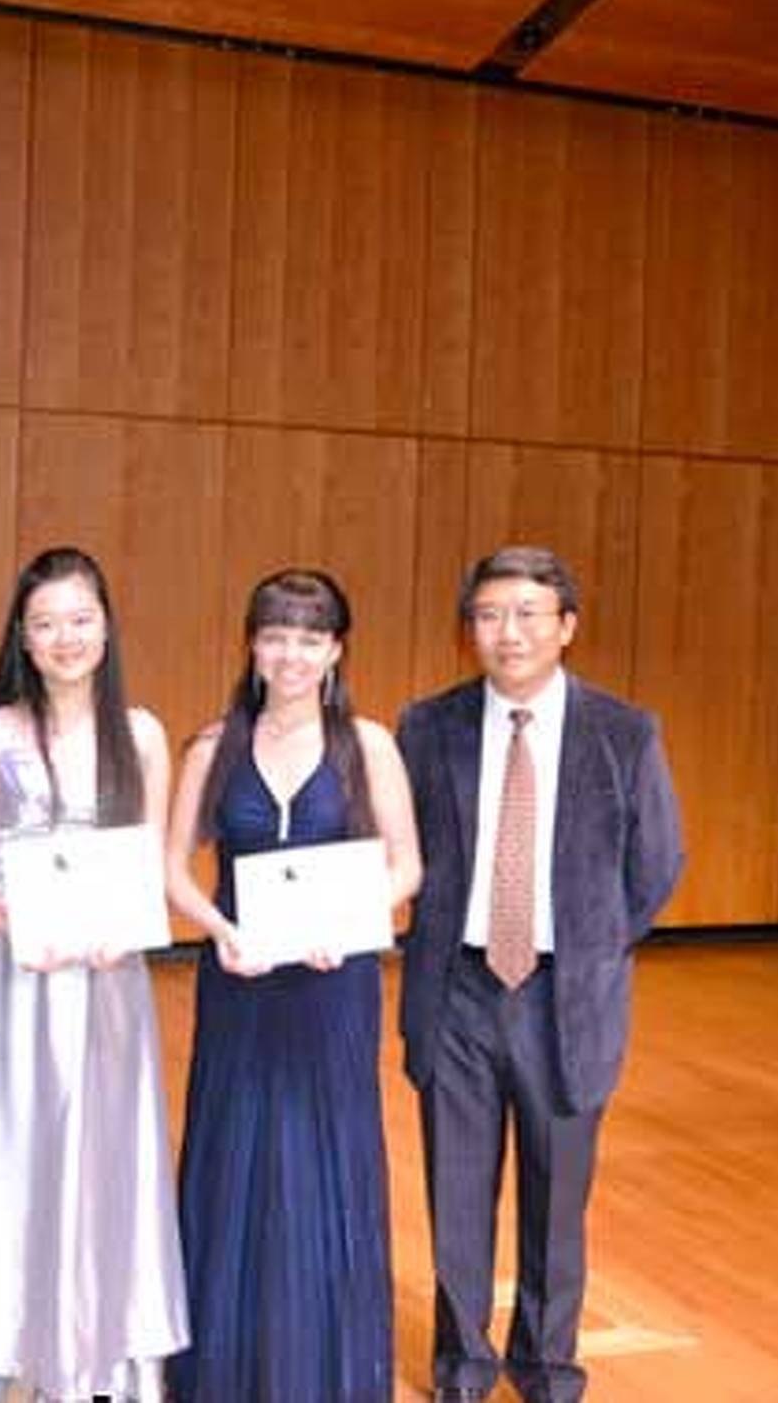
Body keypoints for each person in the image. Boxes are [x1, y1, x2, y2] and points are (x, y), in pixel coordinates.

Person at [396, 546, 683, 1403]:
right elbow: (396, 844)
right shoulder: (427, 728)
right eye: (489, 616)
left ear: (567, 627)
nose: (508, 633)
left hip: (566, 998)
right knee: (458, 1191)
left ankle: (548, 1368)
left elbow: (657, 864)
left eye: (528, 614)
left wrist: (591, 949)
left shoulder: (623, 733)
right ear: (469, 630)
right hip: (457, 991)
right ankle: (462, 1365)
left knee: (557, 1201)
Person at [0, 546, 190, 1402]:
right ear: (22, 639)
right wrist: (3, 915)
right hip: (13, 980)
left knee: (104, 1161)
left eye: (80, 619)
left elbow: (152, 861)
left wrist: (124, 928)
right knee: (5, 1161)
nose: (65, 638)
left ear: (106, 627)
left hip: (108, 980)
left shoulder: (141, 734)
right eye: (45, 624)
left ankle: (97, 1361)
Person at [162, 569, 422, 1402]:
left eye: (310, 639)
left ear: (336, 649)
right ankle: (226, 1373)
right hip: (239, 979)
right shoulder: (212, 748)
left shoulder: (368, 746)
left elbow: (407, 866)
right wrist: (219, 928)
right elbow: (171, 869)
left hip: (331, 984)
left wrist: (348, 923)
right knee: (234, 1153)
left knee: (323, 1156)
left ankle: (325, 1372)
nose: (292, 655)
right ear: (252, 645)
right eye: (276, 637)